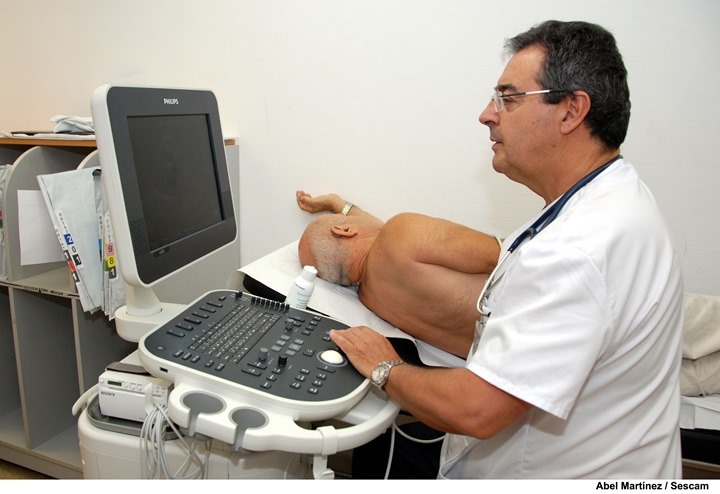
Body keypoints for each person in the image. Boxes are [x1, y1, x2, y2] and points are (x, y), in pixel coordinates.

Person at [328, 20, 684, 479]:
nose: (487, 114)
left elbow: (477, 409)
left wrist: (385, 366)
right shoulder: (610, 201)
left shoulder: (580, 246)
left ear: (571, 110)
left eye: (508, 98)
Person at [295, 190, 500, 358]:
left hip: (499, 358)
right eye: (342, 218)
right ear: (344, 229)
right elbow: (507, 256)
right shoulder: (401, 235)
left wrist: (337, 204)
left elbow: (381, 237)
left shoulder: (372, 300)